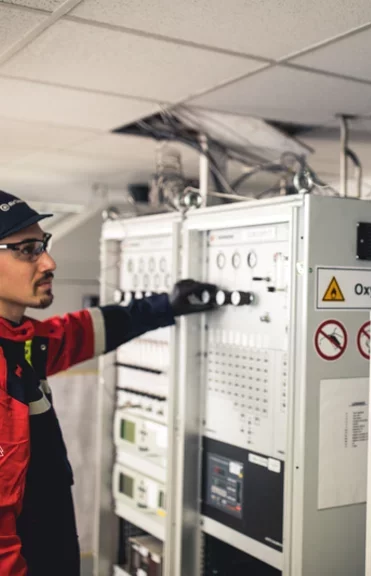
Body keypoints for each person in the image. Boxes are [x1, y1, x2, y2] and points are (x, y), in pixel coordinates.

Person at [0, 191, 217, 576]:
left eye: (43, 244)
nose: (49, 261)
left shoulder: (20, 342)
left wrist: (166, 305)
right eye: (28, 249)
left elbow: (77, 333)